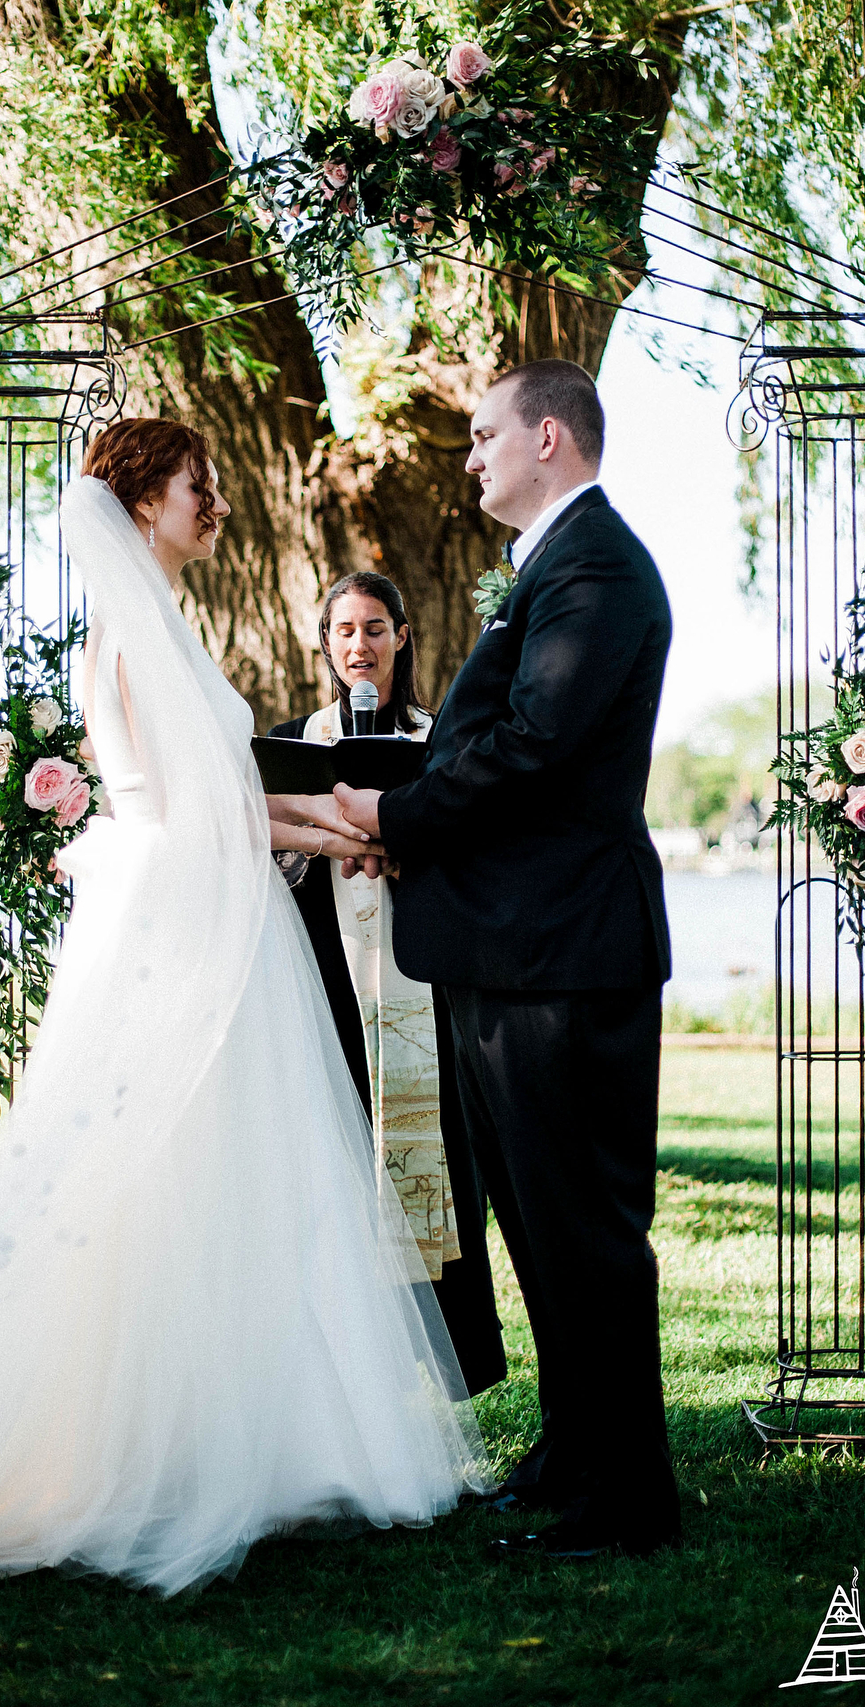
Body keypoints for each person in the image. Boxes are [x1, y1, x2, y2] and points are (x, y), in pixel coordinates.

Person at [0, 417, 488, 1611]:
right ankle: (144, 1447)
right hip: (180, 921)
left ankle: (254, 1432)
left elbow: (229, 794)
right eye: (202, 487)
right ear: (146, 501)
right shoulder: (133, 641)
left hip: (203, 906)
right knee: (159, 1173)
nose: (218, 507)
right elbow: (201, 814)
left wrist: (341, 827)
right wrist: (349, 829)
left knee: (239, 1178)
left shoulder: (158, 627)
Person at [334, 360, 680, 1560]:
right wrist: (411, 834)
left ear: (548, 434)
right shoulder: (553, 566)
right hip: (511, 942)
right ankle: (575, 1447)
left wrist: (395, 821)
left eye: (484, 436)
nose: (469, 456)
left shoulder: (597, 567)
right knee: (535, 1222)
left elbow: (534, 745)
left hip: (564, 952)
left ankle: (627, 1494)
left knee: (583, 1228)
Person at [270, 574, 506, 1397]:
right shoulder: (294, 741)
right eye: (343, 631)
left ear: (402, 636)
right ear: (326, 644)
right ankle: (349, 1363)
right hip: (332, 984)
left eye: (375, 628)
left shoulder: (445, 737)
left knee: (439, 1149)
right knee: (337, 1157)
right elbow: (275, 859)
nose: (359, 645)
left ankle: (452, 1358)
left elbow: (477, 847)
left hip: (421, 985)